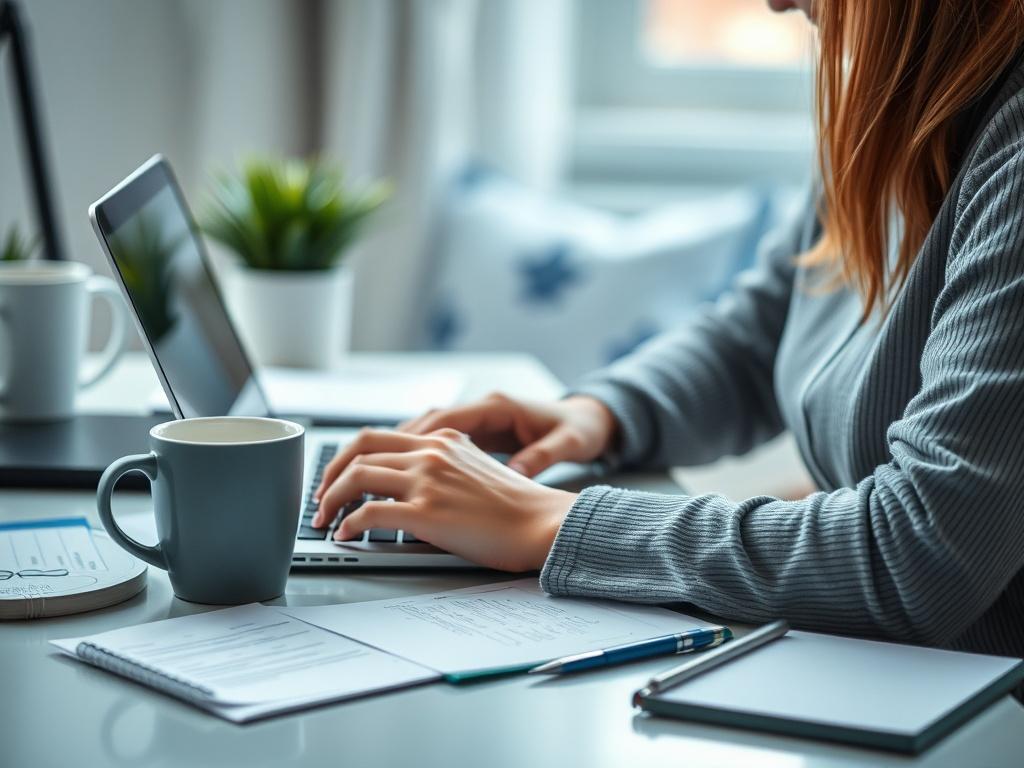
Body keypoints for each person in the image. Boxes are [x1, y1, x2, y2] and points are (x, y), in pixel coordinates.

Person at [314, 0, 1024, 660]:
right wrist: (602, 414)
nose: (775, 3)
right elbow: (761, 334)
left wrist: (551, 522)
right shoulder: (898, 112)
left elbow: (919, 555)